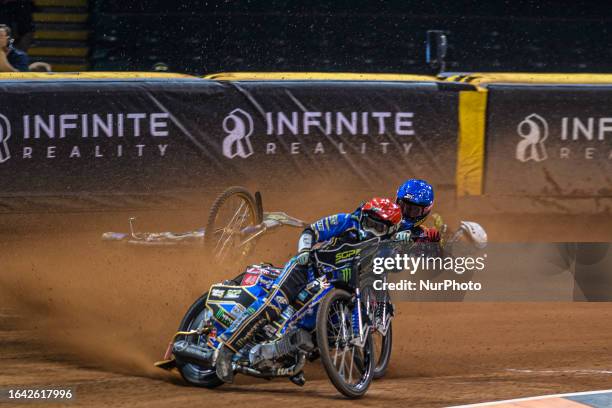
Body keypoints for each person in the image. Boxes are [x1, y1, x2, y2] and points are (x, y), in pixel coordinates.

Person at [215, 197, 405, 382]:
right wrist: (305, 251)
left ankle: (290, 355)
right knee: (273, 305)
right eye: (369, 223)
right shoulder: (346, 221)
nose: (370, 230)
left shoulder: (386, 246)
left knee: (320, 328)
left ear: (391, 230)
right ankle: (227, 348)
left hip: (332, 286)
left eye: (378, 228)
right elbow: (311, 231)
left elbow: (396, 265)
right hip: (306, 269)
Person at [394, 178, 441, 244]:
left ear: (425, 211)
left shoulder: (425, 236)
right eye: (402, 206)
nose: (405, 211)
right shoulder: (385, 223)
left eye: (413, 210)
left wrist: (435, 248)